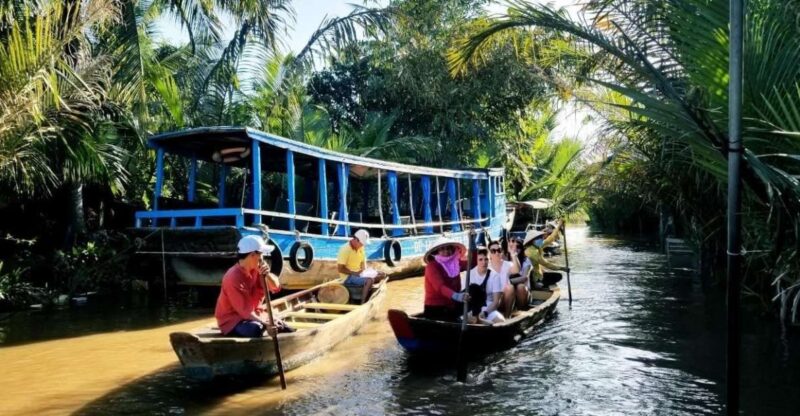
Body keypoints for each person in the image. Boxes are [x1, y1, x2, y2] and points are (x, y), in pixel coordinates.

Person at [214, 235, 288, 338]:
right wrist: (267, 324)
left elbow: (276, 287)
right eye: (261, 255)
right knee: (256, 329)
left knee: (284, 326)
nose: (263, 258)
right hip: (233, 321)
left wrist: (268, 275)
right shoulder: (232, 277)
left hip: (256, 314)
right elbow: (246, 312)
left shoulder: (258, 269)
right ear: (253, 255)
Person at [423, 238, 471, 321]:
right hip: (435, 308)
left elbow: (472, 264)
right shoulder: (432, 267)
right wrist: (456, 296)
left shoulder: (456, 262)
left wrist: (473, 246)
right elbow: (440, 287)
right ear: (437, 252)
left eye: (449, 248)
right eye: (442, 249)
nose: (446, 251)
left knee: (475, 289)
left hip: (451, 306)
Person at [337, 229, 387, 303]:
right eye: (362, 243)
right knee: (370, 280)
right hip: (348, 277)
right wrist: (354, 273)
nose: (363, 245)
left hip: (359, 274)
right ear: (356, 240)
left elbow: (363, 263)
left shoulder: (361, 248)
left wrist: (366, 272)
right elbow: (340, 269)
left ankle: (367, 289)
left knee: (382, 274)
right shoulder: (345, 249)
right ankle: (362, 302)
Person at [523, 219, 569, 289]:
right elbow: (546, 264)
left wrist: (559, 226)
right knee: (558, 276)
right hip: (533, 277)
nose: (541, 239)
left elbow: (550, 238)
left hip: (539, 274)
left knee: (557, 276)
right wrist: (562, 268)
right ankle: (538, 285)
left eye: (541, 238)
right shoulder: (531, 252)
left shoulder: (537, 246)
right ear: (532, 241)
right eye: (539, 238)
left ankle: (541, 283)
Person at [466, 247, 505, 324]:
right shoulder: (469, 274)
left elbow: (496, 301)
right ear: (476, 261)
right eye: (480, 260)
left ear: (489, 259)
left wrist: (485, 313)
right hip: (472, 307)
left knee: (501, 321)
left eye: (486, 259)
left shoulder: (495, 276)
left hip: (488, 307)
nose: (484, 262)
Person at [488, 239, 520, 317]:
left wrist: (513, 254)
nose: (497, 253)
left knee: (510, 288)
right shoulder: (486, 266)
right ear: (489, 253)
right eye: (493, 251)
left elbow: (517, 270)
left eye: (499, 250)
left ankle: (507, 317)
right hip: (490, 300)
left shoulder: (506, 264)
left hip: (503, 300)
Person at [508, 236, 532, 309]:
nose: (515, 249)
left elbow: (524, 278)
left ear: (521, 249)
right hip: (509, 291)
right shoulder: (506, 259)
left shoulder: (526, 261)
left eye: (518, 247)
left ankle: (521, 310)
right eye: (512, 246)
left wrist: (509, 281)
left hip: (523, 292)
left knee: (520, 287)